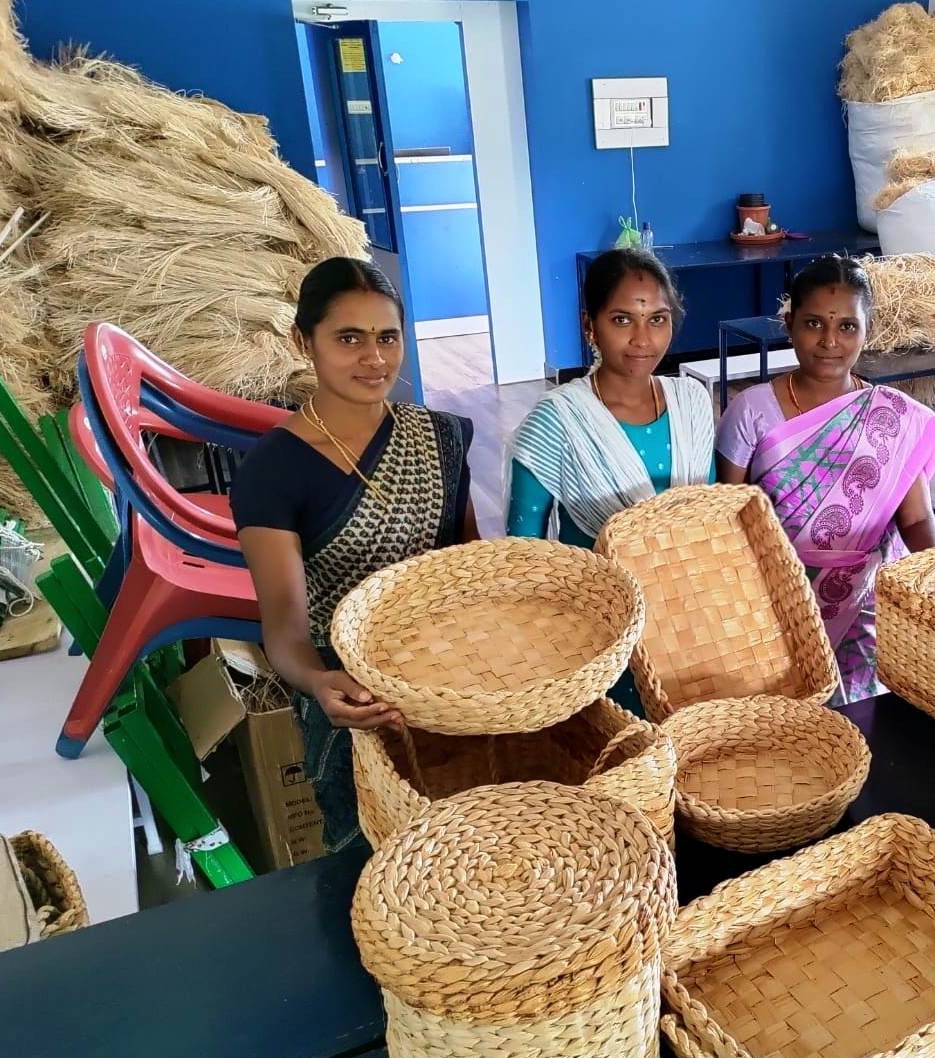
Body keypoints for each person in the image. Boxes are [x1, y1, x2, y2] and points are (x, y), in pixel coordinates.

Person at [231, 257, 476, 852]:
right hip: (352, 686)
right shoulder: (273, 471)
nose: (374, 358)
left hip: (445, 671)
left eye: (387, 337)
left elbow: (470, 570)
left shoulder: (439, 437)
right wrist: (319, 682)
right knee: (377, 854)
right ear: (302, 341)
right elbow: (285, 626)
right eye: (349, 338)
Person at [716, 255, 935, 706]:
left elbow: (916, 519)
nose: (829, 341)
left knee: (859, 723)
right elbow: (729, 521)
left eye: (847, 326)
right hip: (774, 599)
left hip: (862, 601)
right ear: (789, 325)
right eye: (813, 324)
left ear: (868, 330)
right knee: (781, 721)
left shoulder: (889, 416)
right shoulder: (751, 410)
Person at [506, 248, 714, 711]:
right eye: (622, 320)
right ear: (589, 326)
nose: (643, 339)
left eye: (657, 319)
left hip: (689, 623)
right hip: (601, 630)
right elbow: (524, 552)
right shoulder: (556, 421)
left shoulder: (693, 402)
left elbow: (709, 518)